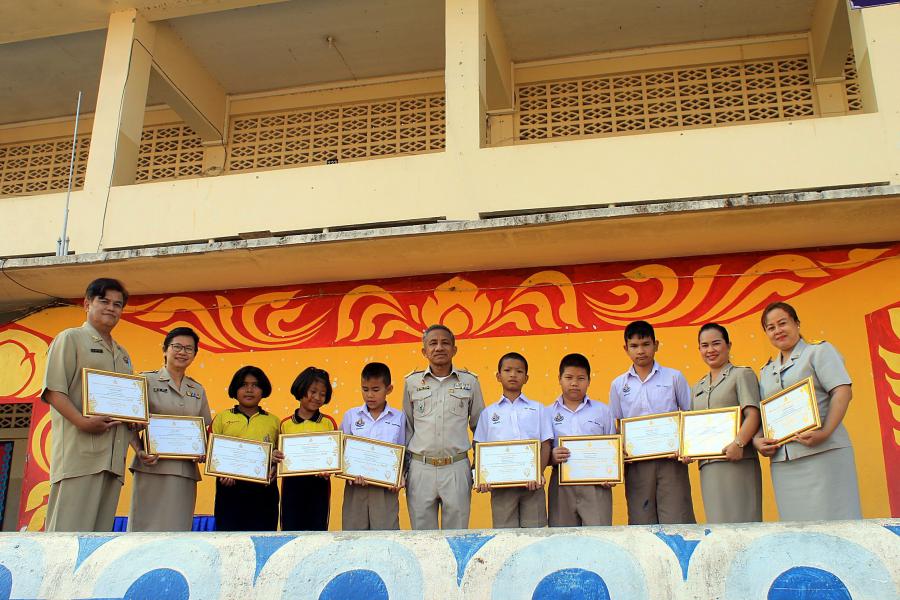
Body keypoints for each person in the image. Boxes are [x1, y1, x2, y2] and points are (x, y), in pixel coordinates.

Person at [41, 278, 134, 532]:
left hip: (113, 462)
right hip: (79, 458)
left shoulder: (123, 354)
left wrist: (137, 428)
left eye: (117, 304)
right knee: (66, 537)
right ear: (87, 304)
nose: (111, 308)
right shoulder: (70, 338)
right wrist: (83, 422)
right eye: (104, 301)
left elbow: (128, 406)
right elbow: (53, 391)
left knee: (96, 540)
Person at [753, 301, 861, 521]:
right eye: (771, 328)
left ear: (797, 323)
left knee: (836, 523)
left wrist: (825, 432)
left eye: (783, 323)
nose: (778, 330)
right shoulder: (766, 371)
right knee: (797, 529)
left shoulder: (818, 352)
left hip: (824, 454)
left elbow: (842, 391)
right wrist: (757, 440)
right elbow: (766, 413)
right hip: (785, 463)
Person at [609, 320, 695, 525]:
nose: (641, 351)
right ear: (626, 349)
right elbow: (616, 425)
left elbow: (690, 415)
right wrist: (620, 451)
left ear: (656, 345)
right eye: (634, 346)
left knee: (677, 519)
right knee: (642, 522)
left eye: (646, 344)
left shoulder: (674, 377)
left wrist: (687, 448)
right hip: (636, 464)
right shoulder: (618, 385)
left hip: (671, 460)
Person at [128, 327, 212, 531]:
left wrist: (203, 450)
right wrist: (139, 450)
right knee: (144, 529)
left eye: (189, 349)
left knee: (178, 530)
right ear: (165, 350)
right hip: (152, 467)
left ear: (194, 354)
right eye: (177, 346)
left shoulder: (197, 389)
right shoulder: (145, 381)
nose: (183, 352)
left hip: (185, 472)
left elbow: (203, 429)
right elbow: (128, 424)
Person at [404, 324, 485, 530]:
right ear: (424, 351)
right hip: (421, 469)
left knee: (456, 535)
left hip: (456, 467)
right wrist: (402, 470)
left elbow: (480, 427)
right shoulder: (412, 383)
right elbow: (407, 429)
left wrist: (481, 467)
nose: (439, 347)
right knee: (422, 537)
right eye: (433, 343)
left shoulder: (470, 382)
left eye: (445, 343)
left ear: (454, 349)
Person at [685, 323, 762, 523]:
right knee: (718, 527)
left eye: (716, 343)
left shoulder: (741, 374)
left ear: (728, 345)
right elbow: (692, 428)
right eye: (704, 345)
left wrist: (738, 443)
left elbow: (753, 414)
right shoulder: (696, 387)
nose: (710, 350)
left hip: (738, 462)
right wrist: (685, 449)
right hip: (708, 466)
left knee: (743, 524)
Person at [473, 352, 551, 528]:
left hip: (533, 486)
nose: (513, 375)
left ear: (526, 378)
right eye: (507, 370)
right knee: (505, 535)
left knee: (535, 534)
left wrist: (538, 473)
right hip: (501, 487)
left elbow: (546, 445)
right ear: (498, 376)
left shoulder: (538, 408)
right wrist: (482, 477)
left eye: (519, 371)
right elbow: (479, 448)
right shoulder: (488, 413)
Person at [546, 353, 617, 526]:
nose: (574, 383)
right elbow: (541, 451)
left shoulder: (603, 411)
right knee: (562, 536)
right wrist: (551, 457)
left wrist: (611, 474)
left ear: (589, 380)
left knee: (598, 535)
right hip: (561, 483)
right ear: (559, 379)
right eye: (569, 377)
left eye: (581, 378)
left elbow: (613, 450)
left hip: (597, 485)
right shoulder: (547, 413)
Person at [211, 366, 281, 531]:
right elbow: (211, 452)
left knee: (263, 538)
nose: (249, 390)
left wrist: (275, 467)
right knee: (229, 539)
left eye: (255, 385)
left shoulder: (274, 421)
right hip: (229, 488)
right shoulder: (222, 418)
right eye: (243, 385)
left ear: (263, 390)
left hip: (264, 490)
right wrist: (221, 473)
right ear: (235, 389)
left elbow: (281, 456)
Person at [340, 362, 405, 531]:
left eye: (376, 390)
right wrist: (347, 471)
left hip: (386, 488)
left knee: (386, 535)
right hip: (355, 486)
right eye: (365, 389)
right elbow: (341, 450)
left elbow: (404, 451)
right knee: (353, 536)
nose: (370, 395)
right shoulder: (351, 416)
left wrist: (400, 475)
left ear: (389, 389)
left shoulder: (399, 418)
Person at [280, 366, 337, 531]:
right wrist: (276, 456)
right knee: (290, 531)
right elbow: (278, 457)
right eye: (313, 392)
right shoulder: (285, 424)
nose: (317, 397)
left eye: (323, 394)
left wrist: (330, 467)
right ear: (301, 389)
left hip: (319, 487)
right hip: (292, 487)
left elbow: (335, 455)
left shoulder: (328, 423)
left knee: (317, 532)